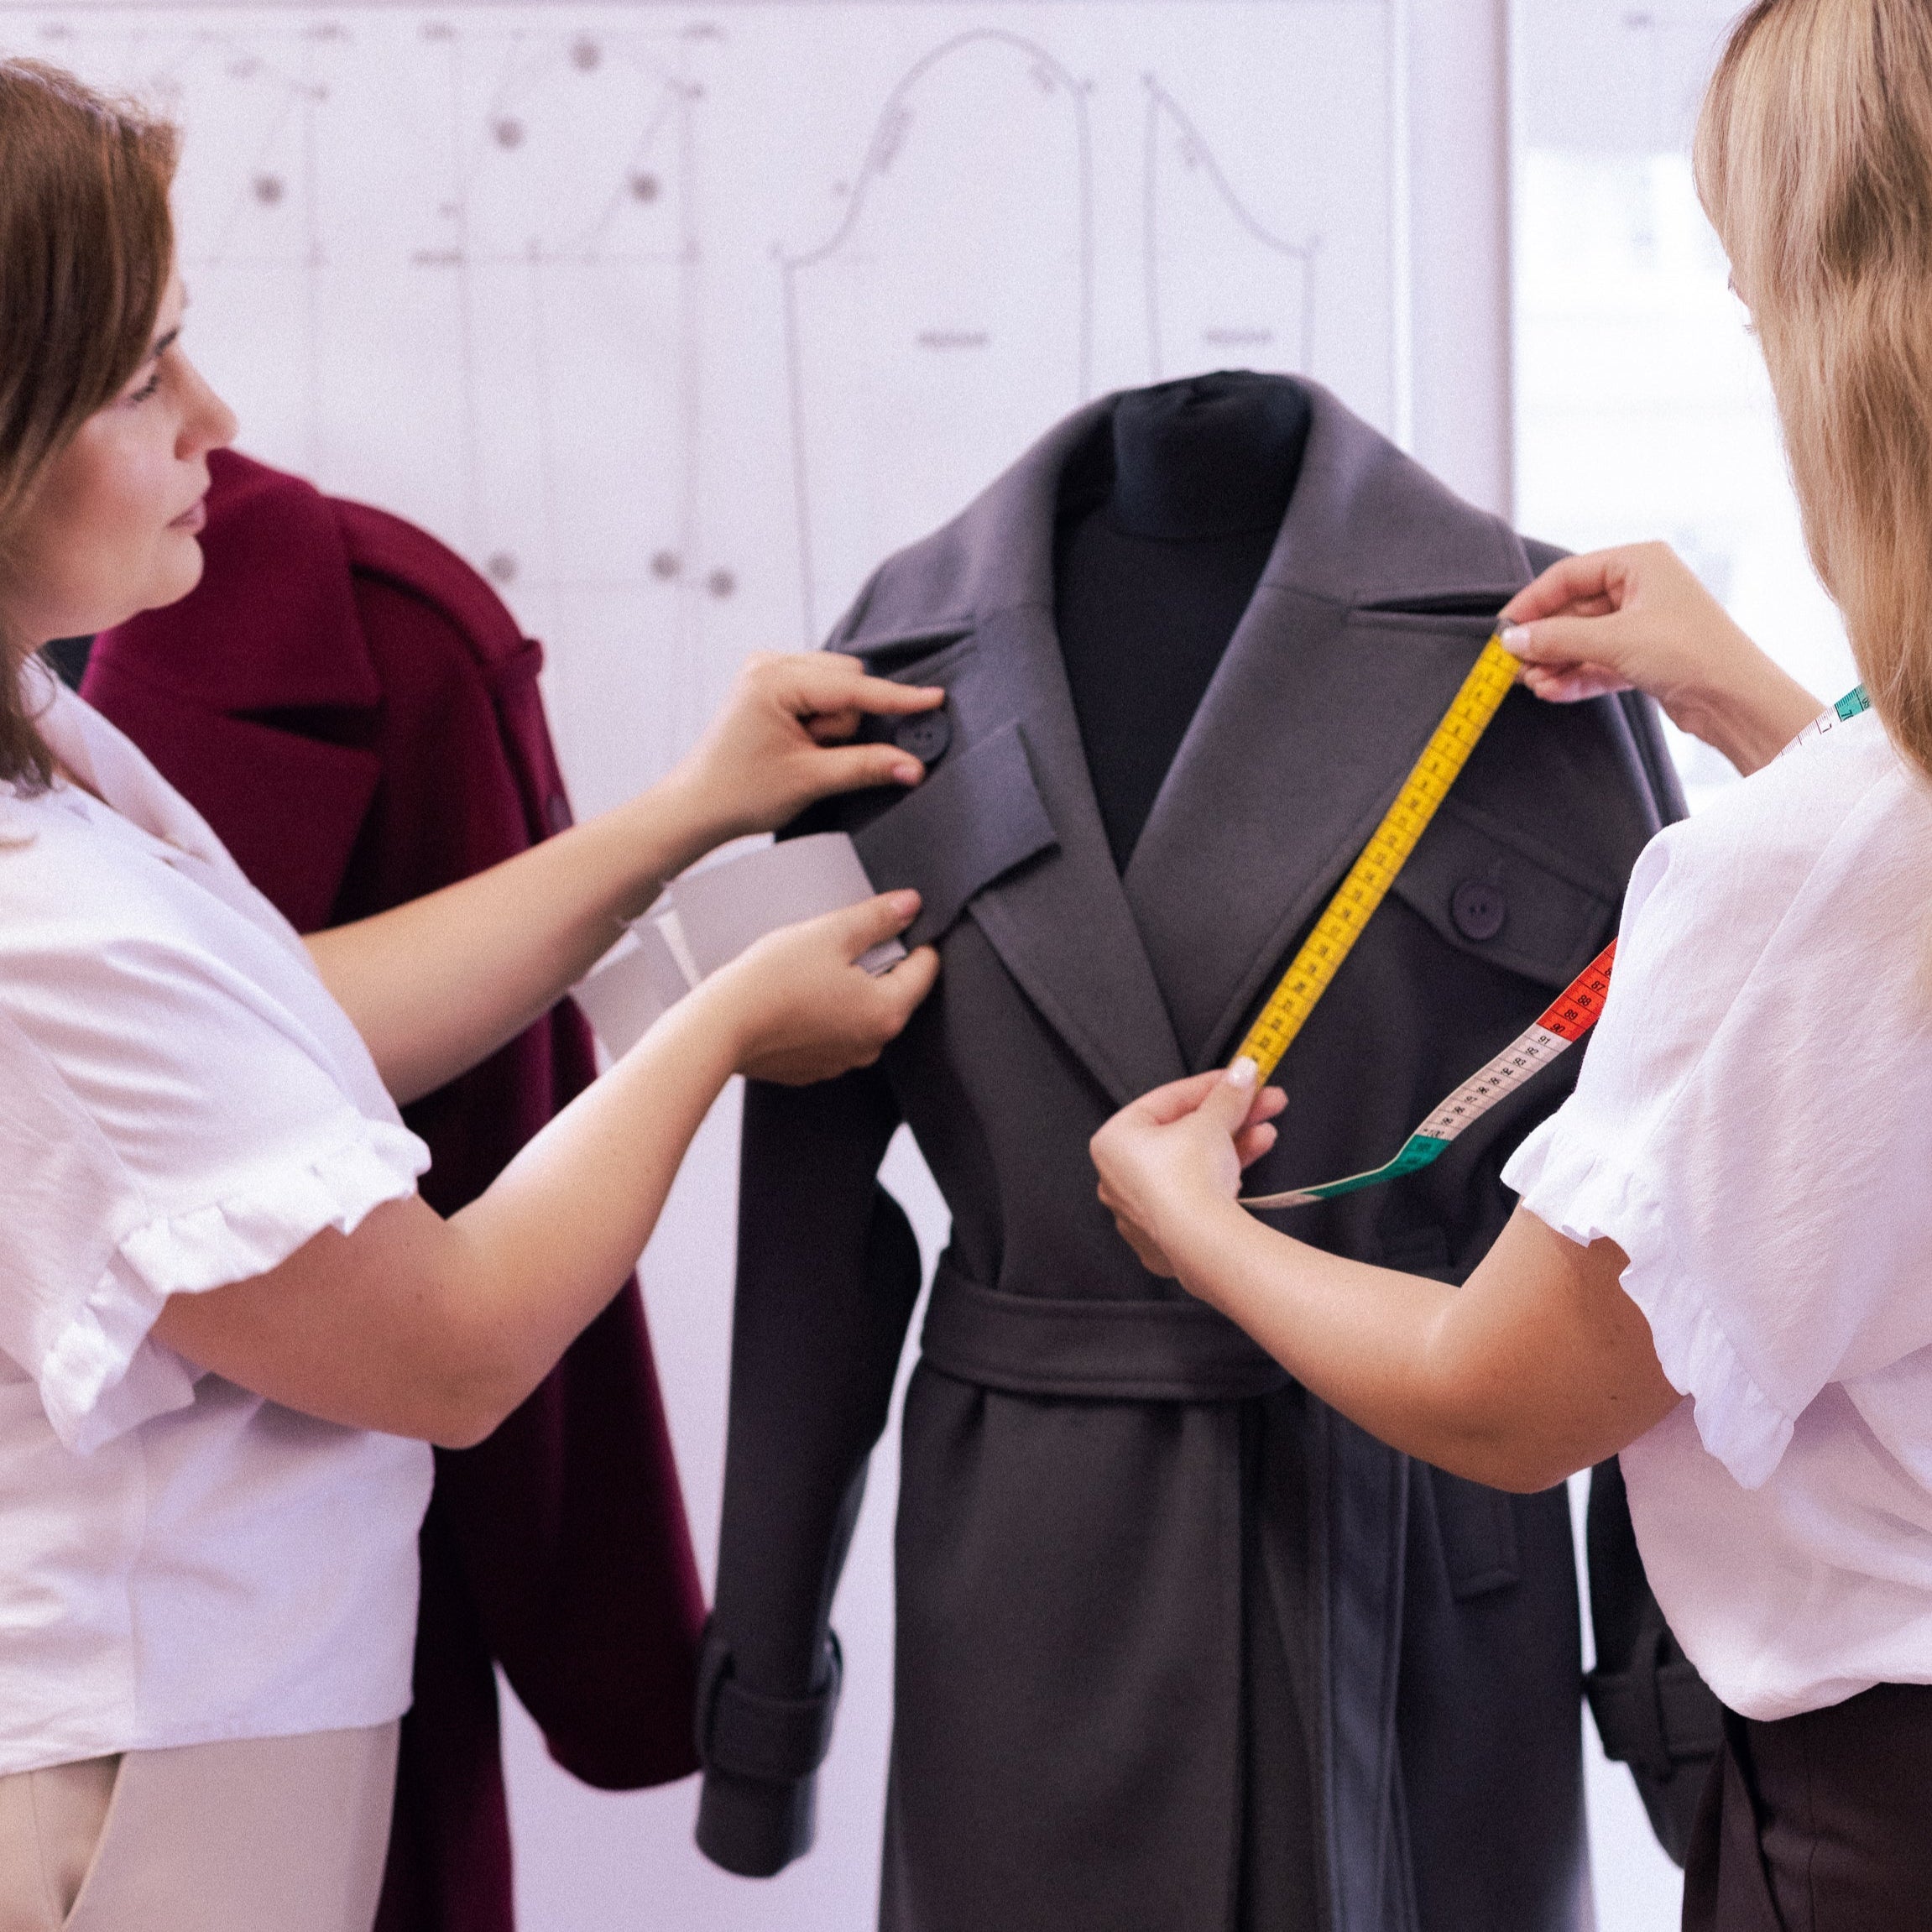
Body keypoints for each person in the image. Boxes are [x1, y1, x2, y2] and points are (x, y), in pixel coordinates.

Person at [0, 57, 941, 1932]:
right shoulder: (39, 923)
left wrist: (679, 819)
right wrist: (719, 1028)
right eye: (144, 375)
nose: (215, 416)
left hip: (174, 1736)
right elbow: (447, 1346)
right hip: (142, 1765)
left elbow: (269, 1038)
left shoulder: (43, 743)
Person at [1091, 3, 1932, 1925]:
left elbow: (1503, 1393)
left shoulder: (1797, 875)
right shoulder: (1840, 843)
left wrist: (1192, 1222)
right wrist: (1763, 714)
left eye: (1754, 314)